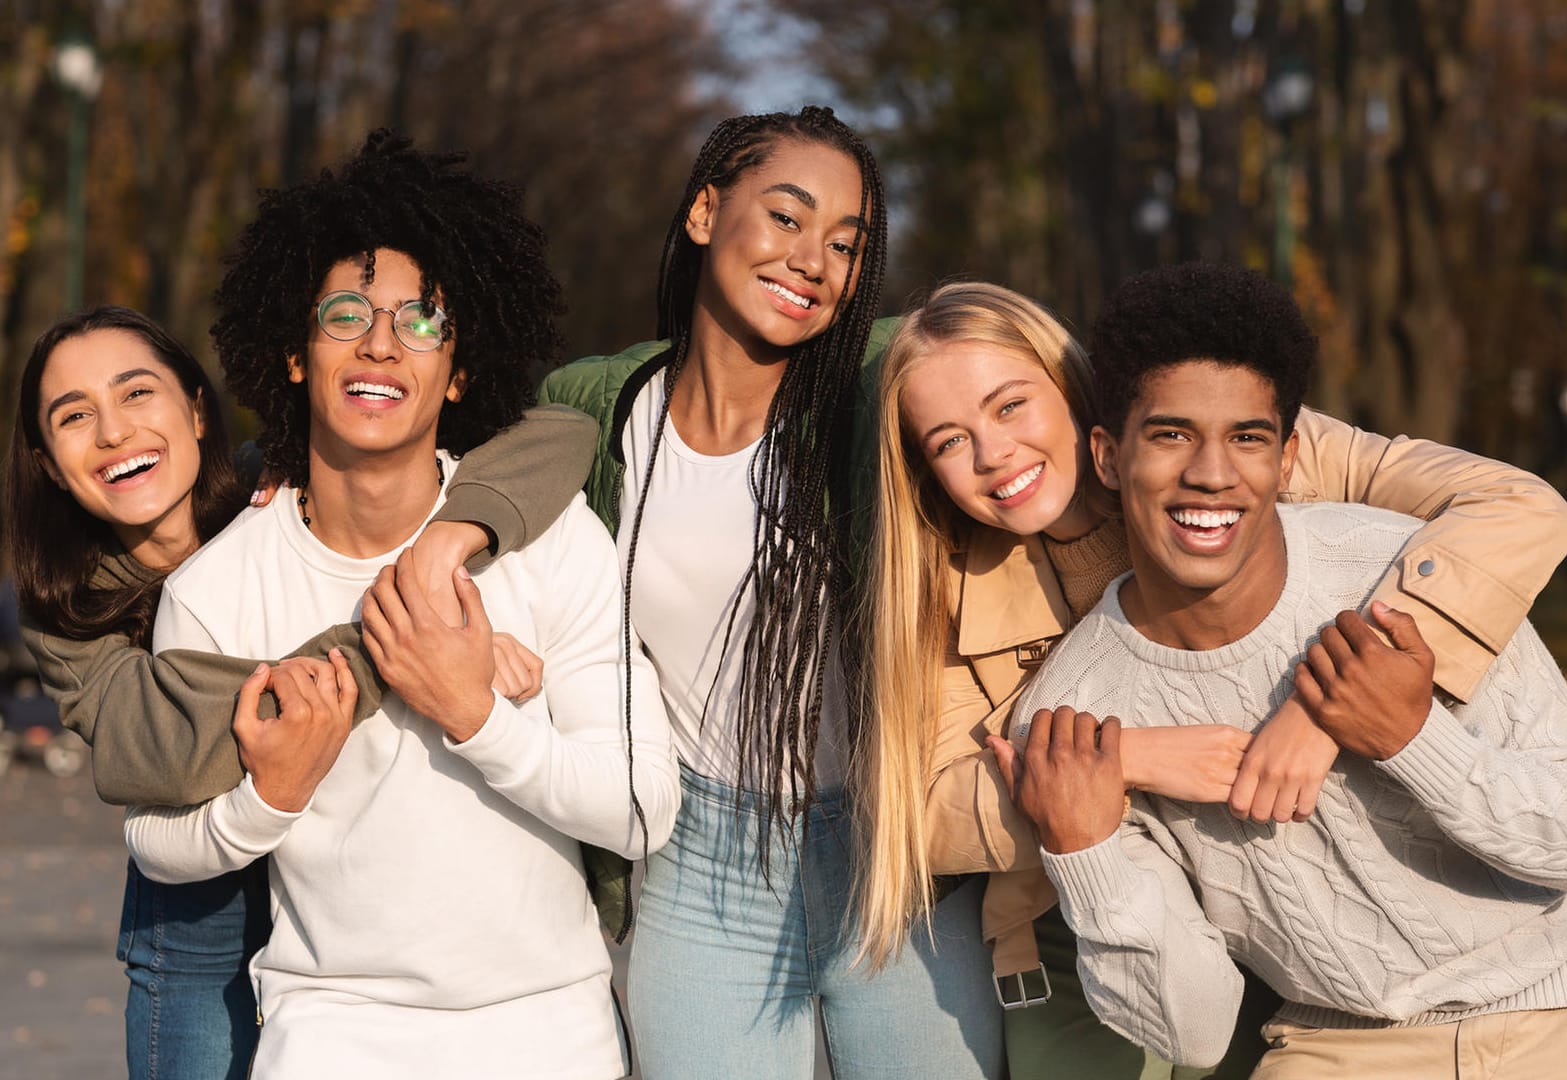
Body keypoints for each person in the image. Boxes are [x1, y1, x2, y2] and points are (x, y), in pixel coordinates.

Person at [858, 280, 1567, 1078]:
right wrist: (1125, 757)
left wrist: (1330, 705)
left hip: (1302, 900)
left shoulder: (1222, 443)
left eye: (1010, 407)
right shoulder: (937, 581)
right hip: (1087, 892)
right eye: (949, 442)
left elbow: (1514, 506)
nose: (993, 455)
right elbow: (916, 808)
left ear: (1075, 394)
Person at [119, 131, 679, 1078]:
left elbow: (640, 805)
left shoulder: (549, 536)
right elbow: (154, 837)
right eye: (346, 314)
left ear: (458, 373)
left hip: (549, 1024)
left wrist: (475, 711)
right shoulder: (214, 589)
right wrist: (271, 795)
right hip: (331, 1027)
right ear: (296, 356)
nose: (382, 342)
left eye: (422, 322)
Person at [3, 303, 597, 1078]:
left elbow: (562, 434)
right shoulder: (63, 604)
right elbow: (162, 748)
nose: (114, 431)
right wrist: (416, 644)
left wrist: (448, 545)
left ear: (194, 409)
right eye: (74, 416)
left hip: (345, 899)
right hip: (200, 909)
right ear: (48, 459)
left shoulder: (284, 488)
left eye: (137, 394)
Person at [539, 106, 1003, 1078]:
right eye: (786, 218)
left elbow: (1027, 388)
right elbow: (441, 463)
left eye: (846, 243)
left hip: (895, 859)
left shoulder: (873, 390)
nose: (814, 261)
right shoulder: (597, 407)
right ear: (706, 212)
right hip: (703, 865)